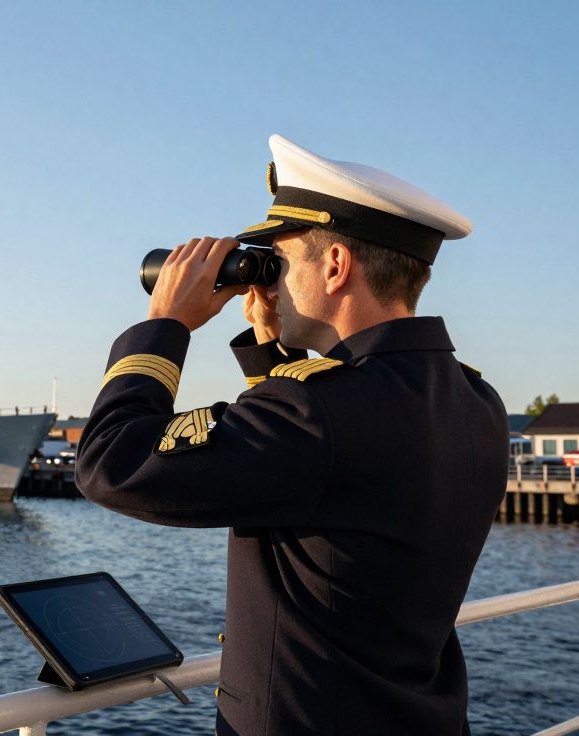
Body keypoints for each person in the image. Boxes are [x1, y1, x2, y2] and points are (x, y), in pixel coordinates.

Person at [75, 135, 508, 735]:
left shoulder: (320, 413)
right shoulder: (473, 398)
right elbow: (316, 466)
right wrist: (271, 350)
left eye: (277, 262)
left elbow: (110, 463)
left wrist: (166, 324)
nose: (269, 282)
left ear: (335, 267)